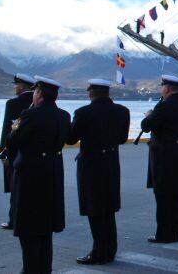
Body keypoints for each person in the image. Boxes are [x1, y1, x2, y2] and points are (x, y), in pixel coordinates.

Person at [8, 76, 71, 274]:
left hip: (30, 173)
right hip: (52, 170)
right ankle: (45, 267)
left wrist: (14, 129)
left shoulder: (30, 114)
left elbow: (13, 141)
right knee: (45, 225)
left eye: (35, 92)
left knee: (28, 225)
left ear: (39, 94)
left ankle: (31, 268)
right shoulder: (63, 115)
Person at [66, 79, 130, 265]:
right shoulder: (122, 111)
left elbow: (71, 139)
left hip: (91, 165)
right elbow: (122, 138)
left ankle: (99, 252)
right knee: (109, 208)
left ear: (91, 92)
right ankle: (110, 249)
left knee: (94, 209)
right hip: (111, 162)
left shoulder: (83, 113)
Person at [140, 74, 178, 243]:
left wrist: (149, 115)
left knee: (163, 196)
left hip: (164, 156)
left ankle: (163, 234)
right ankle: (175, 233)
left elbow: (146, 126)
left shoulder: (163, 107)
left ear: (167, 88)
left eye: (162, 87)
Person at [0, 73, 34, 230]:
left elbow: (7, 130)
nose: (15, 87)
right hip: (33, 152)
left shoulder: (13, 103)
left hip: (15, 152)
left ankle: (14, 219)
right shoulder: (38, 101)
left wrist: (4, 153)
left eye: (16, 84)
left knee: (15, 188)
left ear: (23, 86)